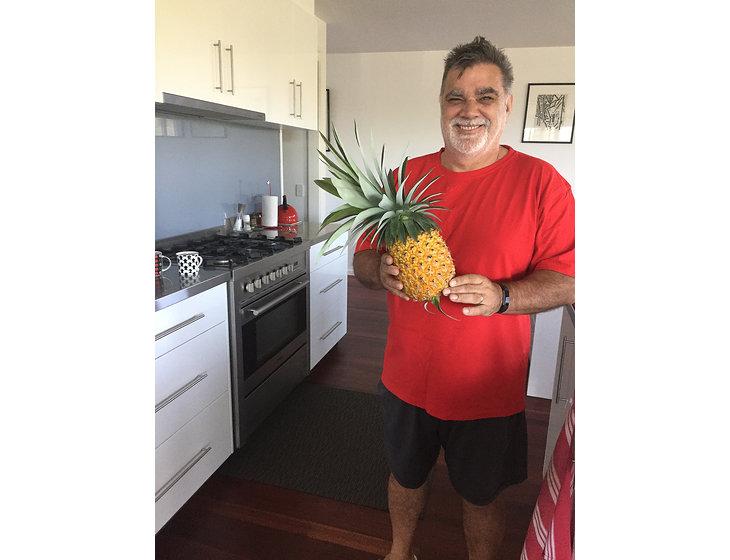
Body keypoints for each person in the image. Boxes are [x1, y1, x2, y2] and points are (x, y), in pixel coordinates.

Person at [352, 36, 575, 560]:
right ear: (441, 105)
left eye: (485, 96)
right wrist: (379, 269)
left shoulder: (543, 184)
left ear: (508, 105)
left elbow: (568, 279)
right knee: (404, 478)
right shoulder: (404, 178)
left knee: (481, 496)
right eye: (456, 97)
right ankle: (399, 550)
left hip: (488, 390)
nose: (469, 110)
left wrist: (503, 296)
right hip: (406, 376)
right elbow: (362, 258)